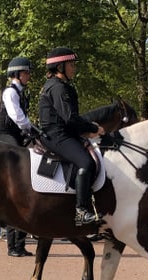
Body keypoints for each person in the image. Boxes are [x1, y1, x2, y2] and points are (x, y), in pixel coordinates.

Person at [38, 47, 105, 226]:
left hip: (62, 133)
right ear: (60, 67)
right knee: (86, 162)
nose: (74, 68)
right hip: (57, 135)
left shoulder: (59, 86)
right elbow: (70, 118)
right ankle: (81, 210)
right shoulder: (58, 88)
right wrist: (93, 128)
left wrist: (87, 130)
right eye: (71, 64)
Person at [0, 56, 35, 257]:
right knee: (21, 164)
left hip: (17, 134)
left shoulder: (22, 93)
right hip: (5, 135)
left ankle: (19, 243)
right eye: (26, 72)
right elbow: (18, 117)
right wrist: (31, 128)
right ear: (18, 74)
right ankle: (13, 245)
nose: (29, 76)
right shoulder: (10, 92)